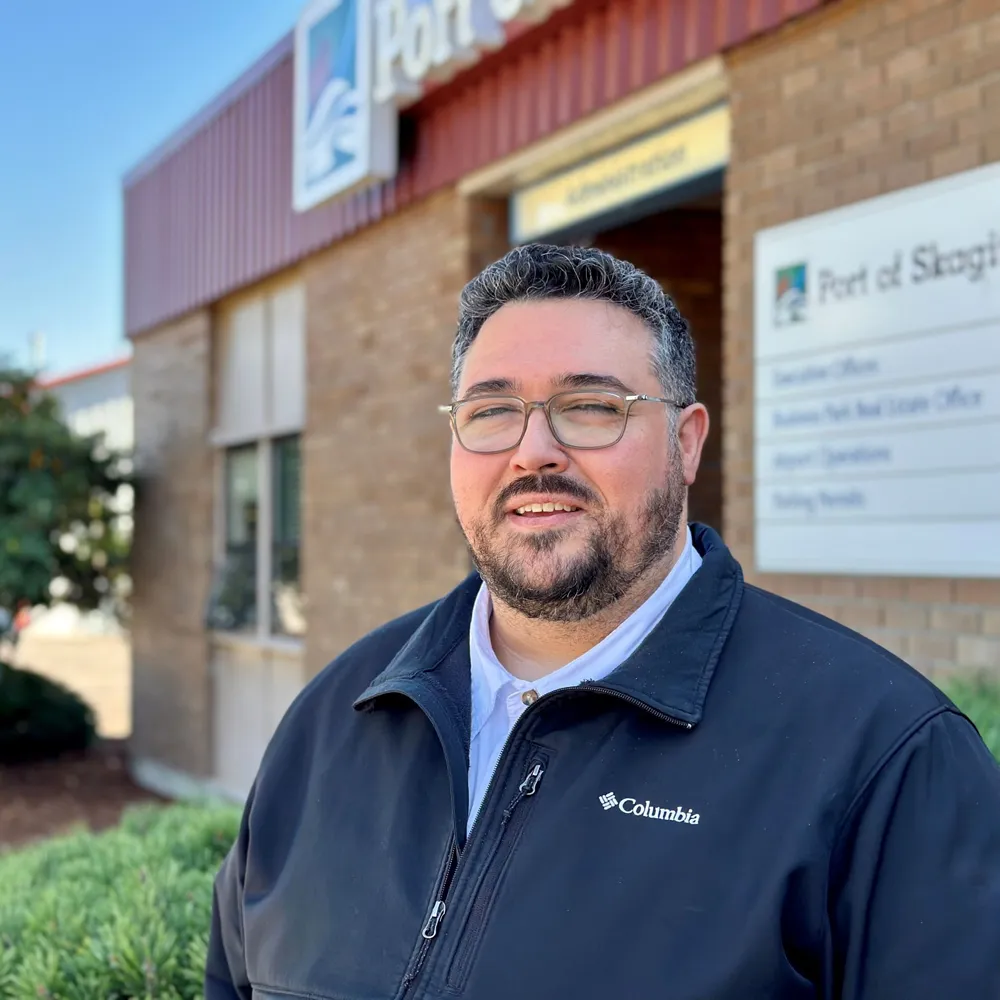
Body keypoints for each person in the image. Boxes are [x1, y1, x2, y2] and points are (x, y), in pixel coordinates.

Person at [206, 244, 1000, 999]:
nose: (533, 451)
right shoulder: (332, 720)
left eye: (590, 407)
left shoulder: (883, 756)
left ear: (686, 445)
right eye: (491, 411)